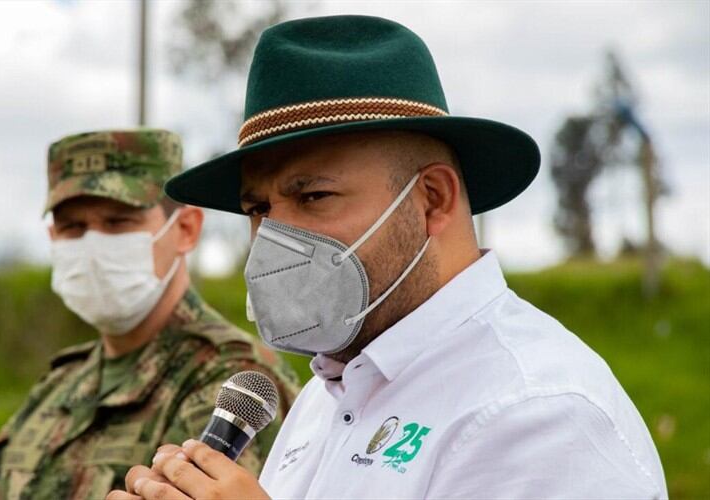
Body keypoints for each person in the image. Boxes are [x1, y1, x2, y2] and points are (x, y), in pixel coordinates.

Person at [106, 16, 667, 500]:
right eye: (257, 208)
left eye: (313, 197)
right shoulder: (327, 397)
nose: (273, 239)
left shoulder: (540, 413)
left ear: (433, 200)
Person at [0, 129, 298, 500]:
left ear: (186, 229)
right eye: (72, 227)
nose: (92, 245)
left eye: (118, 222)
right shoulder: (62, 383)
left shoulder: (231, 386)